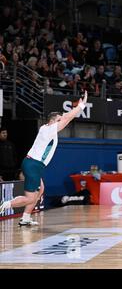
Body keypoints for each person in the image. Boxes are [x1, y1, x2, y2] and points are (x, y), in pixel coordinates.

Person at [0, 92, 89, 225]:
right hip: (33, 165)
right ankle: (5, 204)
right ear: (53, 121)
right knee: (31, 199)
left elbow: (66, 116)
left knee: (40, 189)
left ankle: (25, 217)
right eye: (59, 119)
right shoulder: (49, 130)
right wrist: (81, 105)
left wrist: (74, 107)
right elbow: (67, 118)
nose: (61, 121)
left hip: (33, 164)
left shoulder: (46, 128)